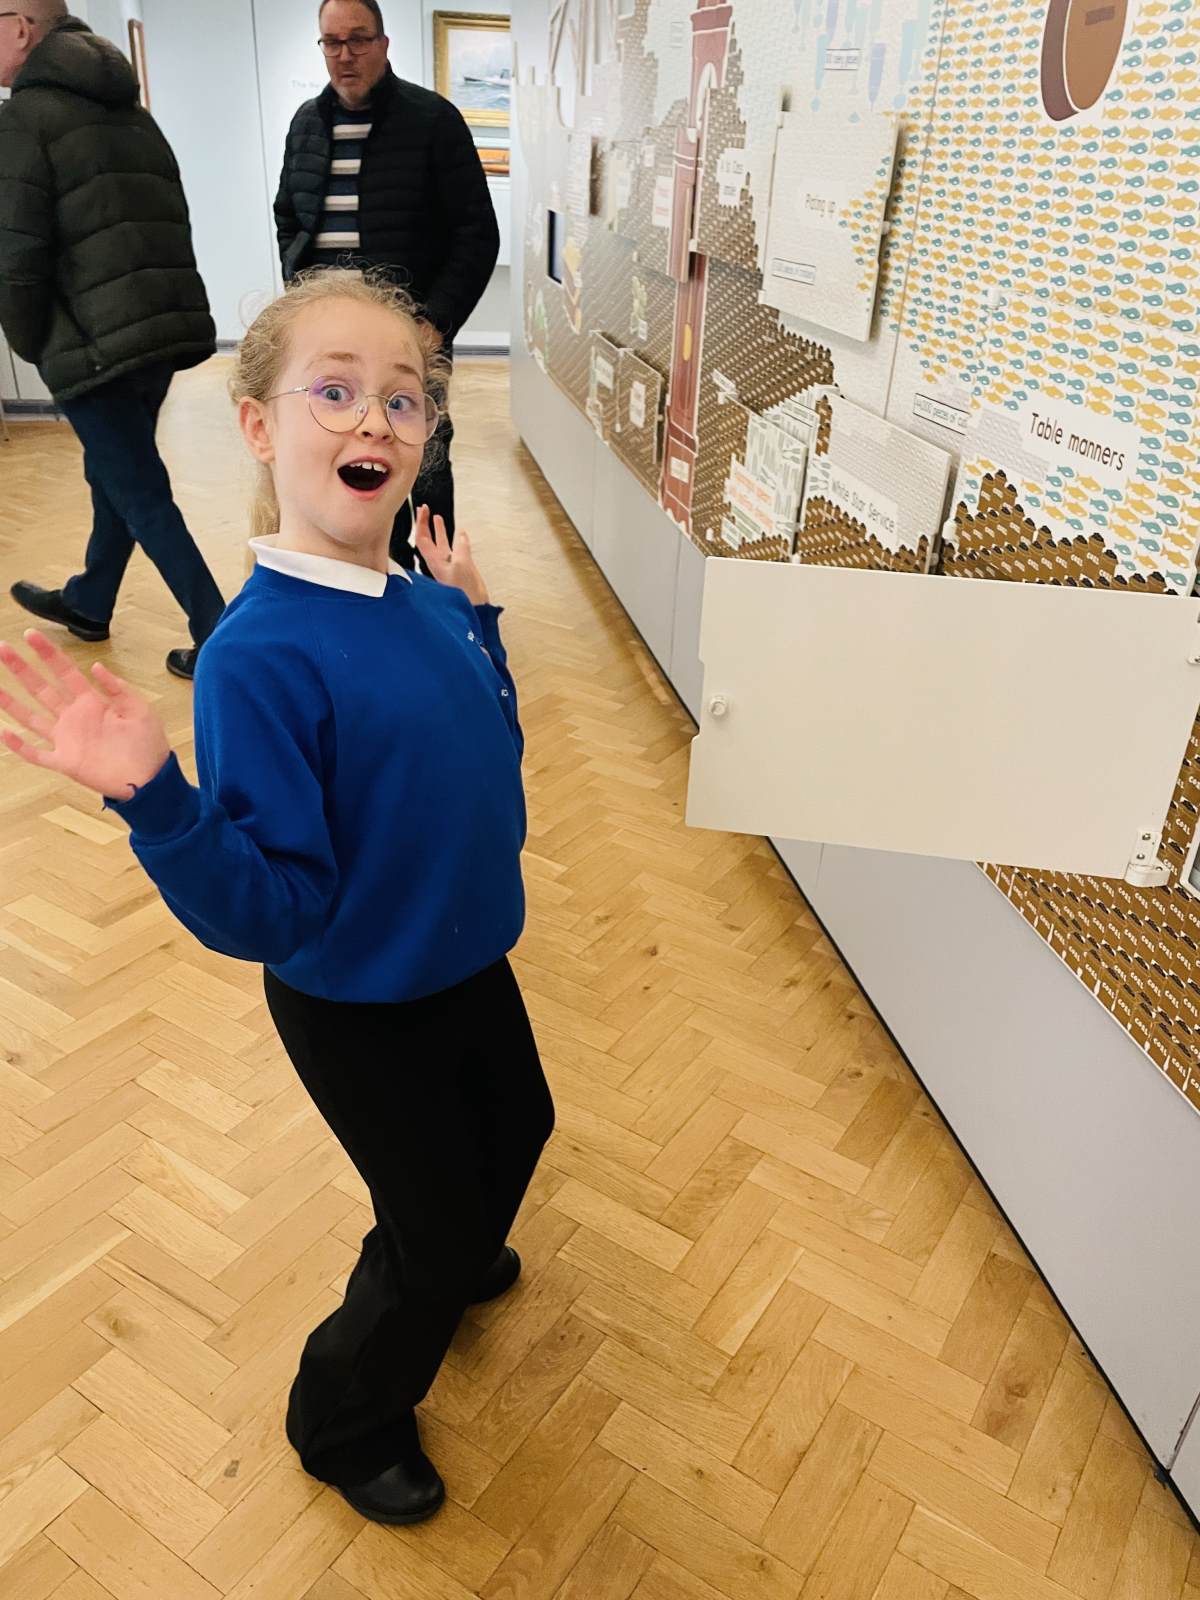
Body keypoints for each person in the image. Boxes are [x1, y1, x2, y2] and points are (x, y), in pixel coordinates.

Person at [0, 270, 555, 1525]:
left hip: (468, 954)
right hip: (360, 998)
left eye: (404, 400)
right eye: (336, 392)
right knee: (428, 1228)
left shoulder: (426, 606)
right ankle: (342, 1416)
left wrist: (480, 622)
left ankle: (452, 1238)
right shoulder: (257, 657)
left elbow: (491, 745)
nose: (375, 422)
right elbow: (270, 909)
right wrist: (158, 799)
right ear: (258, 424)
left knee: (519, 1124)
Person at [0, 3, 225, 681]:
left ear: (21, 28)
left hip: (92, 342)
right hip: (153, 333)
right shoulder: (132, 111)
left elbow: (16, 253)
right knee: (117, 476)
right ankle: (90, 602)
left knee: (139, 490)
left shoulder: (25, 116)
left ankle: (223, 638)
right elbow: (173, 216)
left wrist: (34, 342)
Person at [274, 0, 500, 569]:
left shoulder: (433, 121)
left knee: (423, 461)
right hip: (329, 339)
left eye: (358, 39)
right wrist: (300, 294)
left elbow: (477, 234)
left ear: (383, 43)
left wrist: (435, 324)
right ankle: (369, 570)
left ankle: (437, 582)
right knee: (344, 454)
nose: (345, 55)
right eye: (332, 42)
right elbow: (288, 217)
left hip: (410, 338)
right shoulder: (306, 123)